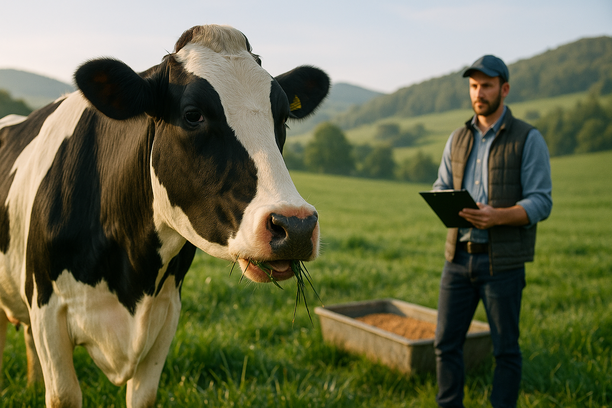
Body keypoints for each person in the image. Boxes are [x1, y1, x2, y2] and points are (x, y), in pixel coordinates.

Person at [432, 55, 553, 408]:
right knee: (445, 345)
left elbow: (541, 202)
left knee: (506, 351)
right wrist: (444, 201)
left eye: (486, 85)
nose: (478, 92)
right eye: (473, 86)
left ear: (505, 89)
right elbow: (441, 185)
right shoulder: (456, 138)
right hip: (457, 259)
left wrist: (498, 216)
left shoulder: (528, 138)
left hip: (503, 263)